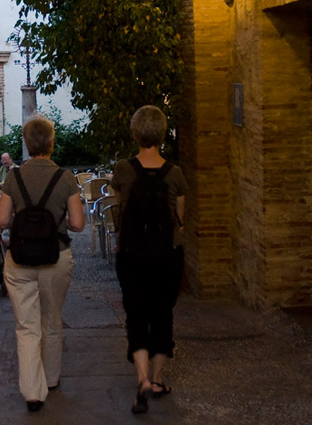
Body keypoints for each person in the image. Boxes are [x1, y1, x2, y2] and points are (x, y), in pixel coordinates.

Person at [0, 115, 85, 412]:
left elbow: (2, 220)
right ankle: (52, 377)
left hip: (19, 259)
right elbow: (78, 224)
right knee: (52, 319)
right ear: (51, 142)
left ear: (26, 143)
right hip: (56, 256)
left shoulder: (13, 177)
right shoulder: (66, 177)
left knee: (27, 326)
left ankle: (33, 393)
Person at [109, 105, 188, 414]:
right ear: (162, 133)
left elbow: (121, 207)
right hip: (168, 252)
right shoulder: (176, 173)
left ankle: (141, 378)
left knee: (137, 313)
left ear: (135, 133)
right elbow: (180, 217)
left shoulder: (123, 169)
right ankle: (157, 379)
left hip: (132, 253)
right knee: (163, 313)